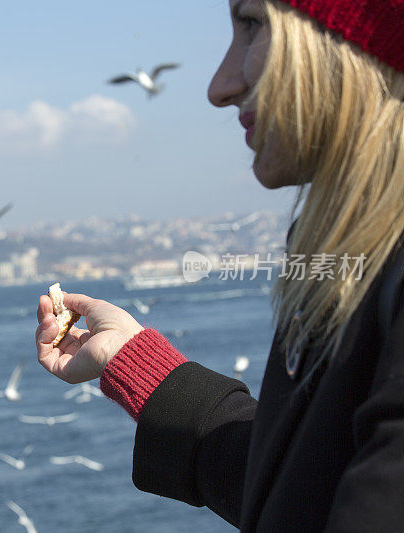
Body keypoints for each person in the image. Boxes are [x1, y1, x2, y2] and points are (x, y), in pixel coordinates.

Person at [35, 0, 404, 531]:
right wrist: (131, 361)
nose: (219, 86)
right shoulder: (351, 256)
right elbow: (302, 491)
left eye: (253, 23)